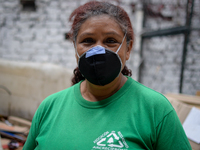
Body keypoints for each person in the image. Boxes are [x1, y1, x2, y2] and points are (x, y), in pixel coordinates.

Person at [23, 1, 191, 150]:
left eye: (110, 41)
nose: (98, 50)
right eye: (88, 40)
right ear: (75, 48)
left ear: (128, 49)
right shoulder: (49, 108)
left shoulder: (156, 110)